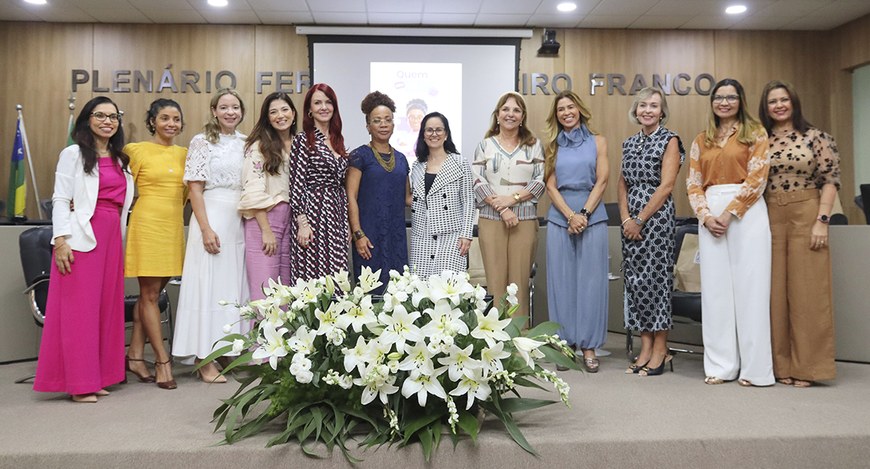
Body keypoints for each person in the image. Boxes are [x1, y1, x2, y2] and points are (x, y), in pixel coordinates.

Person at [33, 96, 134, 403]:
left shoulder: (120, 159)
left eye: (113, 116)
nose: (108, 121)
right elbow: (61, 199)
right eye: (100, 115)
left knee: (105, 310)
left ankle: (99, 376)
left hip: (111, 238)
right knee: (81, 314)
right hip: (81, 238)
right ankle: (79, 383)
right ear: (87, 120)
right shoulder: (73, 154)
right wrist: (60, 240)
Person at [687, 78, 774, 387]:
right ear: (712, 102)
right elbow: (693, 182)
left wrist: (729, 212)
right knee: (716, 293)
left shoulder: (755, 133)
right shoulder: (702, 139)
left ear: (741, 101)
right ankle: (721, 366)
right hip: (710, 213)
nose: (724, 102)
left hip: (746, 214)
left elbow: (758, 178)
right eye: (719, 97)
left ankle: (755, 370)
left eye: (731, 97)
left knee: (752, 290)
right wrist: (706, 216)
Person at [759, 80, 840, 388]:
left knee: (808, 292)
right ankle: (781, 367)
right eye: (772, 102)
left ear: (793, 102)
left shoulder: (815, 137)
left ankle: (810, 368)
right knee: (775, 294)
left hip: (807, 210)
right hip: (769, 216)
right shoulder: (760, 139)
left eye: (783, 99)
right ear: (765, 108)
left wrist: (822, 219)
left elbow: (830, 180)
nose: (778, 105)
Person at [173, 88, 249, 384]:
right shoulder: (202, 141)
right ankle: (204, 358)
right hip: (212, 216)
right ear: (214, 111)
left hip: (239, 219)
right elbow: (194, 188)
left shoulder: (246, 142)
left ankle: (227, 349)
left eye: (235, 107)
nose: (230, 112)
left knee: (231, 288)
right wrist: (205, 228)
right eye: (224, 107)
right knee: (209, 287)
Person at [617, 87, 684, 377]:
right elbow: (622, 185)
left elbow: (667, 185)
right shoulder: (629, 143)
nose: (647, 110)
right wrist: (625, 220)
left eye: (654, 106)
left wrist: (640, 219)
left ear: (662, 111)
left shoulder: (670, 140)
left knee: (656, 281)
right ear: (635, 109)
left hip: (655, 219)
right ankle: (645, 347)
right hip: (629, 219)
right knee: (635, 282)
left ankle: (661, 349)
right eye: (643, 105)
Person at [123, 98, 187, 390]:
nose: (171, 124)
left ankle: (135, 356)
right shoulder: (135, 150)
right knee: (149, 294)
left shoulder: (186, 154)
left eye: (176, 119)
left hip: (172, 226)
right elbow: (120, 187)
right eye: (164, 118)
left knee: (151, 293)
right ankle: (162, 361)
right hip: (147, 224)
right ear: (152, 121)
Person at [543, 90, 608, 373]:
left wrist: (583, 214)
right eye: (560, 109)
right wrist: (570, 215)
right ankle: (564, 344)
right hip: (560, 218)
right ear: (556, 115)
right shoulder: (552, 146)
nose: (566, 112)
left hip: (592, 215)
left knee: (591, 283)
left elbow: (603, 180)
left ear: (579, 109)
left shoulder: (598, 141)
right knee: (562, 283)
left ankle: (589, 347)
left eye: (570, 107)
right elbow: (550, 186)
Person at [471, 92, 544, 319]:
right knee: (495, 285)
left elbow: (539, 182)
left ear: (522, 117)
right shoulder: (484, 146)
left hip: (525, 221)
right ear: (498, 114)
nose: (510, 114)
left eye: (516, 110)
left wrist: (511, 200)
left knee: (519, 285)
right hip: (491, 221)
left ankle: (519, 343)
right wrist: (502, 209)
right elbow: (477, 181)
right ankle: (496, 342)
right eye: (506, 109)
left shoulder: (534, 146)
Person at [346, 91, 410, 293]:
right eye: (377, 120)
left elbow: (408, 198)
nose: (383, 124)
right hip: (369, 238)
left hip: (396, 238)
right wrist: (358, 235)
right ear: (368, 126)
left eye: (388, 120)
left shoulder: (401, 158)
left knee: (398, 296)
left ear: (393, 124)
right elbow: (351, 197)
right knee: (370, 295)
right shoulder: (359, 156)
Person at [239, 92, 297, 299]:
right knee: (265, 291)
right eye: (273, 112)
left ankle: (285, 333)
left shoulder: (298, 144)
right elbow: (252, 189)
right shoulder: (259, 146)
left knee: (286, 290)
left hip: (290, 220)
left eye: (284, 109)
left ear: (293, 112)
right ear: (267, 118)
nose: (280, 115)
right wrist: (266, 230)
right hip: (264, 219)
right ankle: (262, 333)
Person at [289, 83, 349, 280]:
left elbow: (341, 186)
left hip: (336, 214)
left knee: (338, 278)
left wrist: (346, 222)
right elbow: (296, 185)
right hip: (313, 214)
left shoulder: (337, 140)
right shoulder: (303, 140)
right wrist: (302, 223)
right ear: (309, 110)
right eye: (318, 103)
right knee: (313, 278)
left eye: (328, 102)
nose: (324, 107)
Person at [409, 112, 474, 278]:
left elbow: (468, 201)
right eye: (429, 130)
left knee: (448, 290)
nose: (434, 134)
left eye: (439, 129)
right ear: (423, 135)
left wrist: (466, 234)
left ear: (446, 134)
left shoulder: (460, 163)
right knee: (420, 291)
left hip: (452, 237)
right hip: (421, 237)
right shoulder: (417, 166)